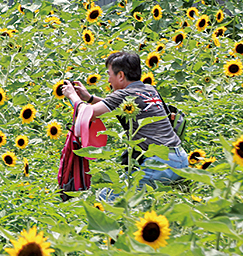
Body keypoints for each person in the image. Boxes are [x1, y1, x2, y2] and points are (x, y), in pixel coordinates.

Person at [63, 50, 186, 188]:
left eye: (109, 75)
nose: (109, 80)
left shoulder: (123, 94)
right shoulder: (150, 89)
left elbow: (86, 114)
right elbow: (125, 107)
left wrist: (72, 96)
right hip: (180, 158)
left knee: (109, 200)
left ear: (120, 75)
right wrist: (90, 98)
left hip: (159, 164)